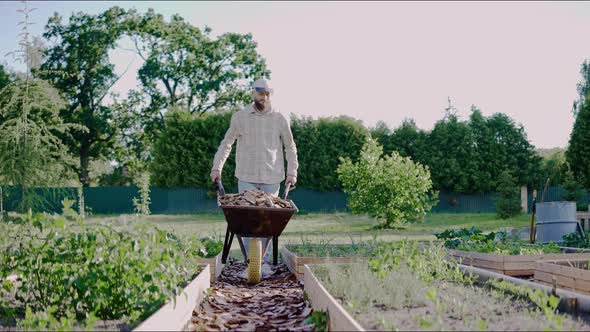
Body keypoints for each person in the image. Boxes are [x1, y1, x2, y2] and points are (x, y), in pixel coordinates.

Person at [210, 78, 298, 262]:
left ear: (271, 94)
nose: (264, 97)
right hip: (246, 176)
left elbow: (290, 147)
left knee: (267, 224)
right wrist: (217, 168)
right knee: (248, 223)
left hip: (272, 177)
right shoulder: (240, 117)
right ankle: (252, 264)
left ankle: (262, 265)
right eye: (260, 93)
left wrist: (292, 172)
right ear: (253, 92)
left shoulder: (280, 118)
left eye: (267, 93)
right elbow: (227, 144)